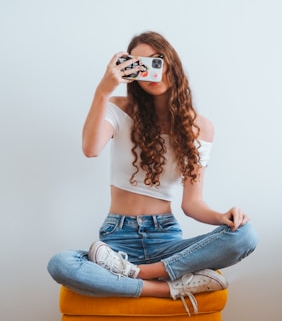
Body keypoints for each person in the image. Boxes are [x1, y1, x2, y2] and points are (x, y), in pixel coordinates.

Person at [48, 31, 258, 316]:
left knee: (245, 236)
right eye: (139, 65)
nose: (150, 71)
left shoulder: (201, 128)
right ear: (131, 73)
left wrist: (222, 217)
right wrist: (103, 89)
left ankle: (139, 273)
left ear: (171, 62)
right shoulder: (119, 108)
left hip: (165, 241)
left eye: (156, 61)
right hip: (116, 243)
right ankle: (167, 287)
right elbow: (90, 148)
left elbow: (191, 204)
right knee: (60, 264)